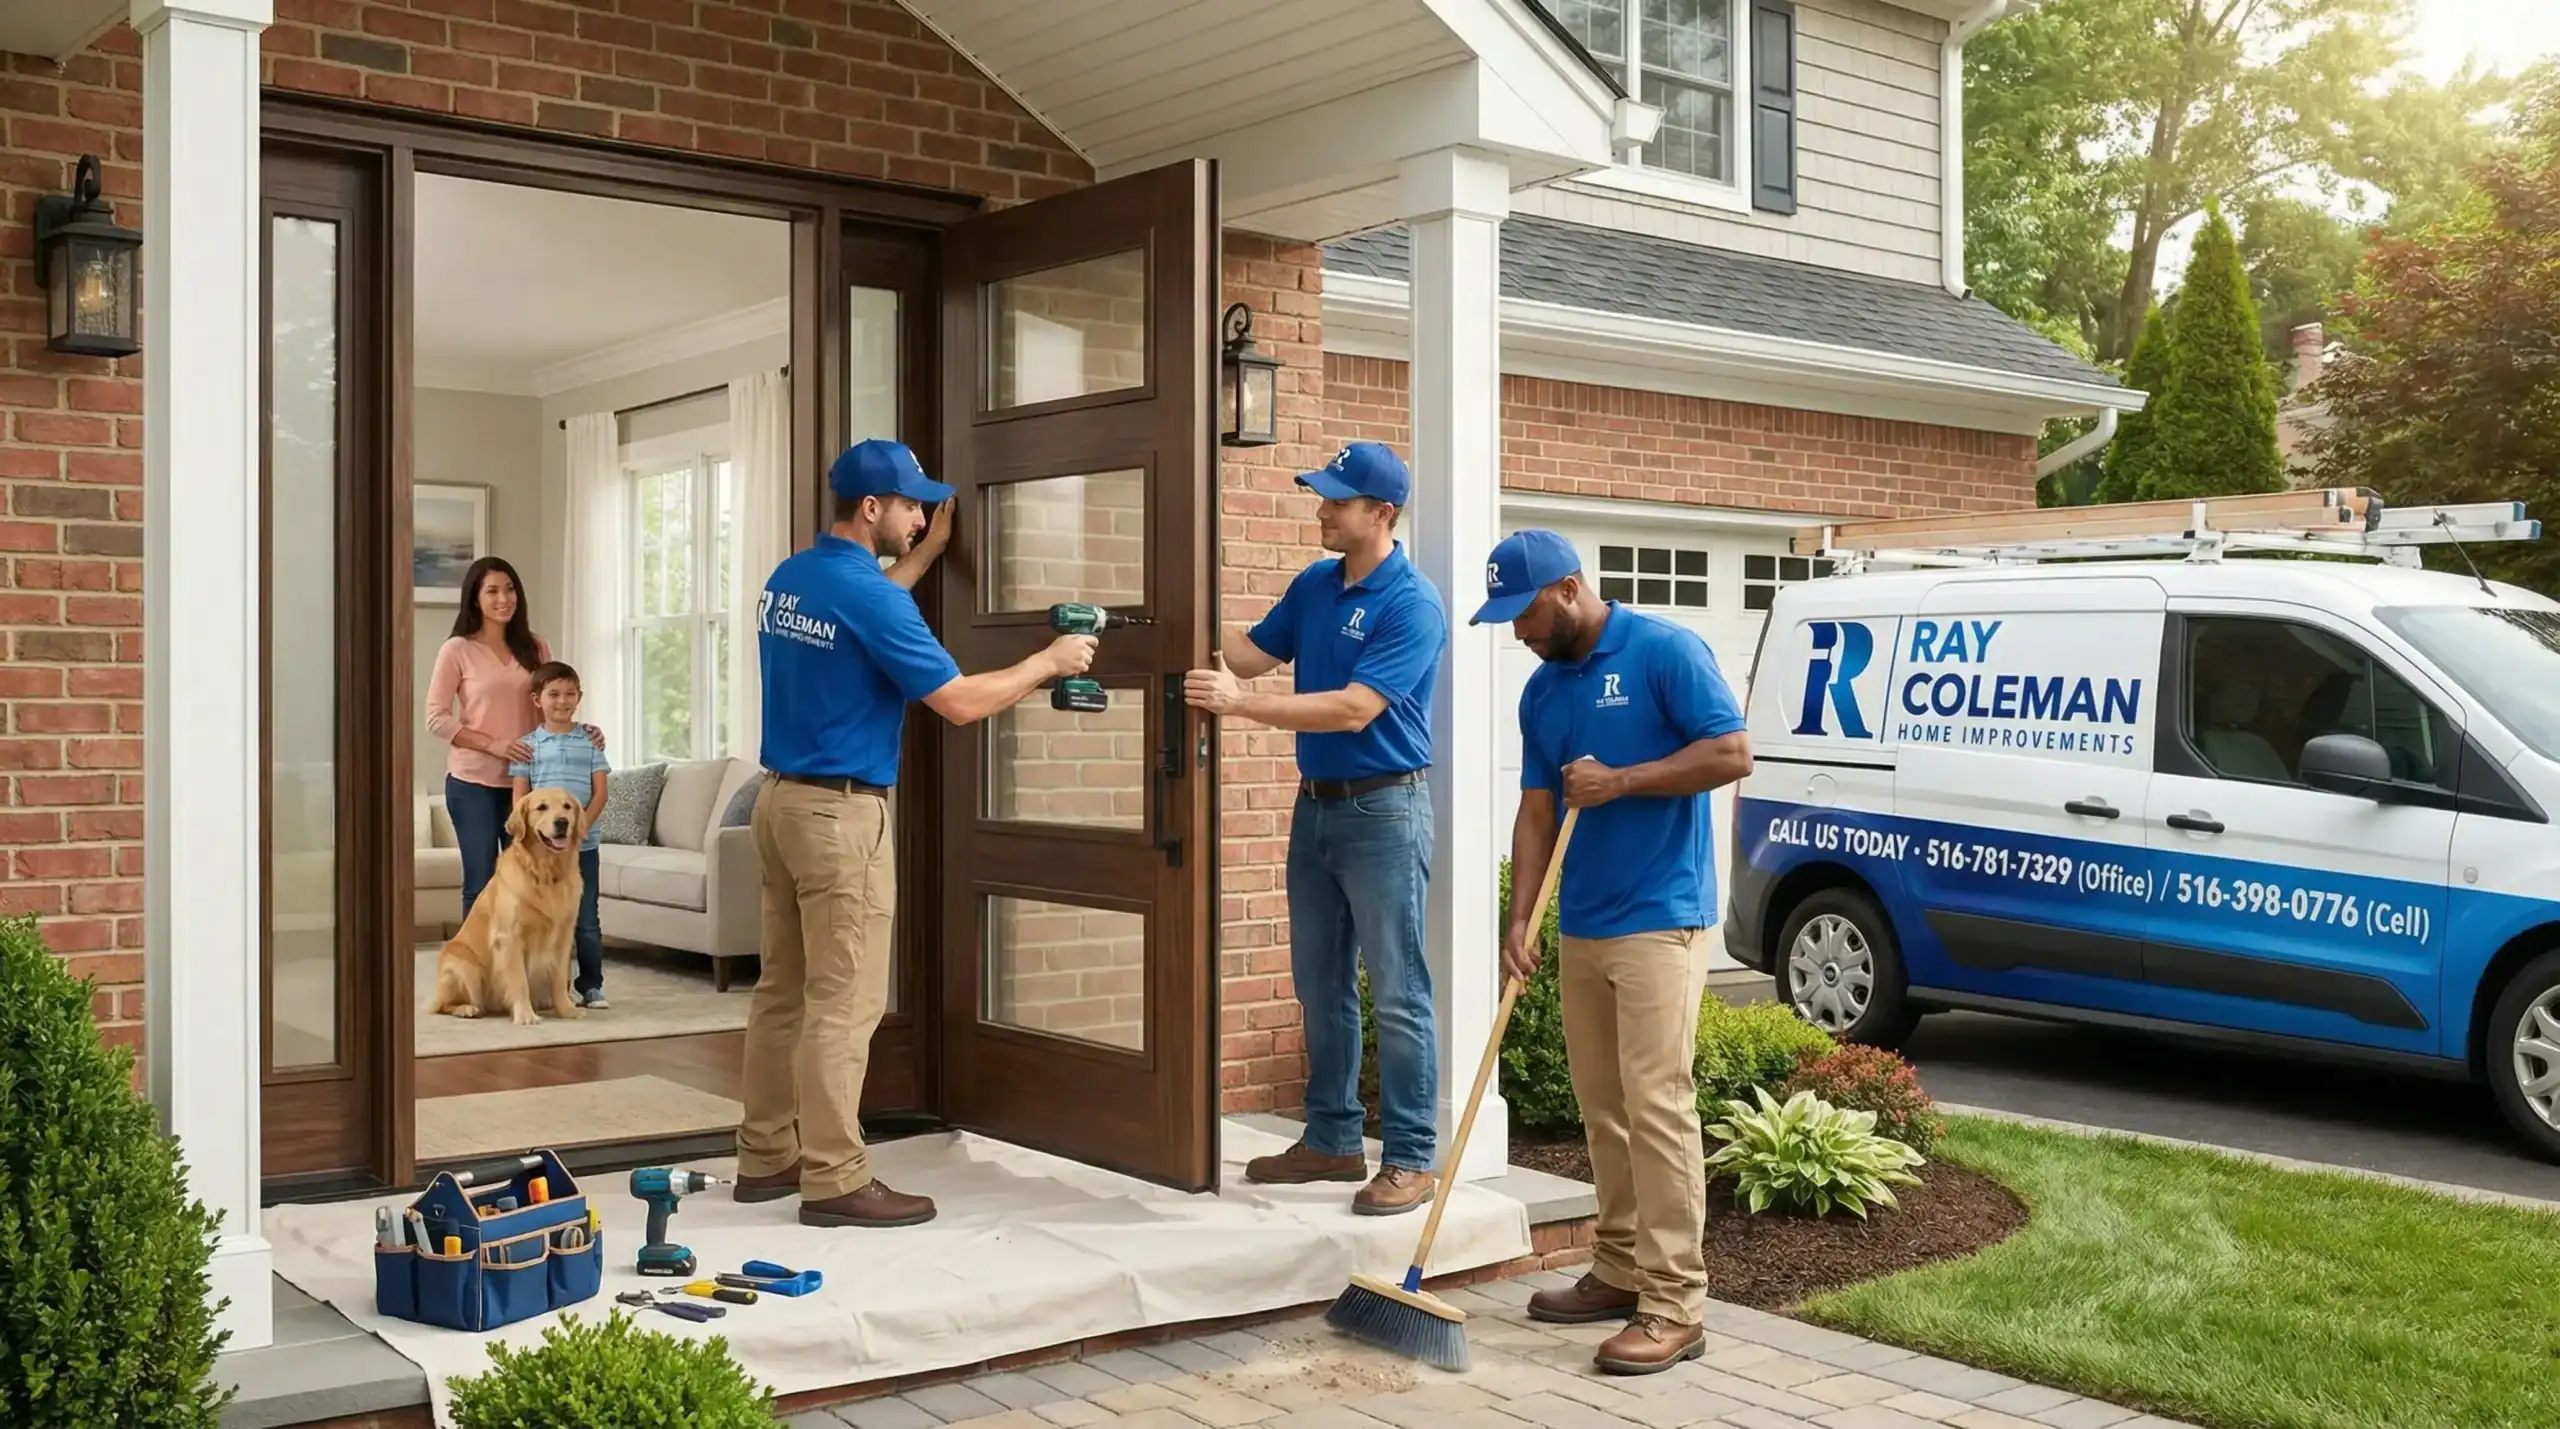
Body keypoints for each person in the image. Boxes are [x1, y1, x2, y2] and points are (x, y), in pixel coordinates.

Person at [733, 437, 1096, 1230]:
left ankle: (766, 1157)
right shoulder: (869, 598)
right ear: (872, 508)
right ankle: (833, 1175)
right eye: (910, 505)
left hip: (778, 804)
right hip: (840, 816)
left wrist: (925, 558)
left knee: (783, 993)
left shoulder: (792, 578)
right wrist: (1049, 659)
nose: (922, 514)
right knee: (845, 1001)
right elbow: (960, 702)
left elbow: (865, 612)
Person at [1474, 528, 1751, 1376]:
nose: (1517, 632)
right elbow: (1535, 811)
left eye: (1522, 613)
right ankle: (1620, 1264)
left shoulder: (1667, 650)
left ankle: (1674, 1303)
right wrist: (1519, 920)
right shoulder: (1542, 692)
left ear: (1566, 587)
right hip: (1584, 920)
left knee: (1657, 1102)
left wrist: (1622, 780)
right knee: (1603, 1104)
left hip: (1662, 916)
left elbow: (1732, 752)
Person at [1183, 440, 1449, 1216]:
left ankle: (1408, 1156)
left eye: (1337, 498)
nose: (1322, 508)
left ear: (1382, 513)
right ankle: (1332, 1138)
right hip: (1318, 807)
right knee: (1320, 982)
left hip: (1386, 811)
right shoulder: (1315, 585)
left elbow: (1355, 707)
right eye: (1322, 494)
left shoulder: (1411, 603)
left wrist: (1240, 705)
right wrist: (1182, 596)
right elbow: (1246, 654)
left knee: (1398, 988)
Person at [424, 556, 601, 918]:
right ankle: (479, 970)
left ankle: (529, 970)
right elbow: (436, 719)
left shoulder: (536, 647)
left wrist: (583, 731)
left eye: (510, 589)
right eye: (492, 591)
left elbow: (551, 704)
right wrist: (494, 745)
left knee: (536, 882)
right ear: (475, 598)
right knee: (482, 883)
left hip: (532, 786)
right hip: (473, 783)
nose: (503, 598)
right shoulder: (457, 649)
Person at [510, 661, 612, 1009]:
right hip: (542, 854)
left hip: (583, 847)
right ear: (537, 699)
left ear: (579, 697)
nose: (562, 701)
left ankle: (592, 985)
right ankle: (550, 987)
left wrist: (580, 831)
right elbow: (522, 798)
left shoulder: (592, 741)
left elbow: (600, 793)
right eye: (553, 694)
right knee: (544, 919)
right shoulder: (527, 746)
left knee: (585, 918)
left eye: (570, 694)